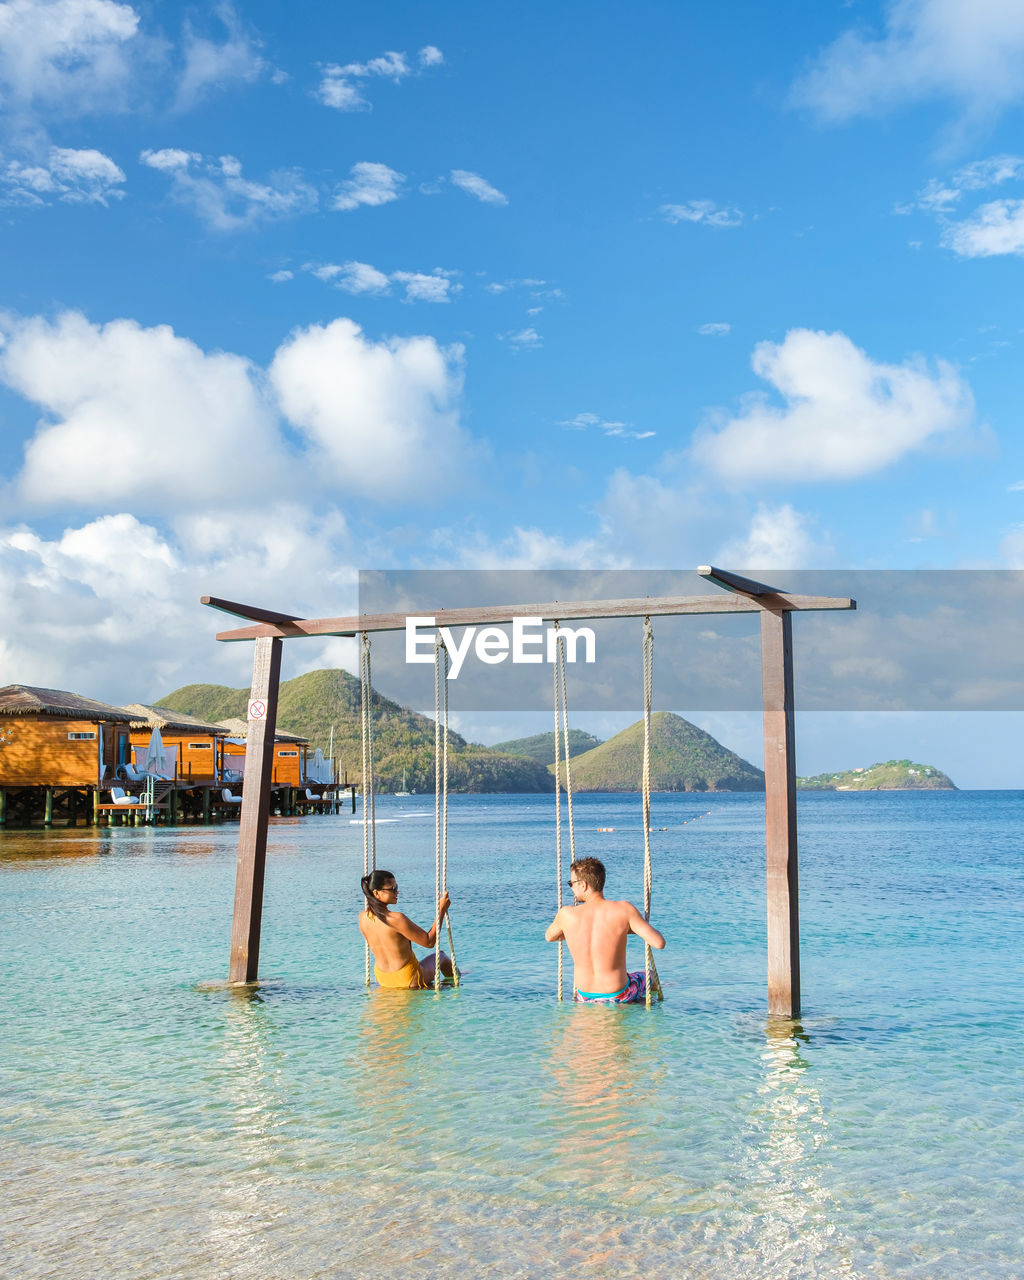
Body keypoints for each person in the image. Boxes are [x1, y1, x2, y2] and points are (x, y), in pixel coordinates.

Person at [545, 856, 666, 1003]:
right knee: (650, 976)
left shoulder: (566, 915)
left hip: (584, 996)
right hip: (619, 994)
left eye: (572, 883)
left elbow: (549, 936)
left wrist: (571, 933)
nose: (571, 888)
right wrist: (627, 928)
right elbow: (659, 943)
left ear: (583, 885)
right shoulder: (624, 910)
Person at [359, 869, 454, 989]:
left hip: (382, 978)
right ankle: (455, 983)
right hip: (408, 978)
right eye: (392, 889)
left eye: (396, 887)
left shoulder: (363, 918)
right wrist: (441, 909)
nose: (397, 891)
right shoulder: (396, 919)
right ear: (376, 893)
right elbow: (429, 942)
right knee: (442, 956)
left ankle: (434, 986)